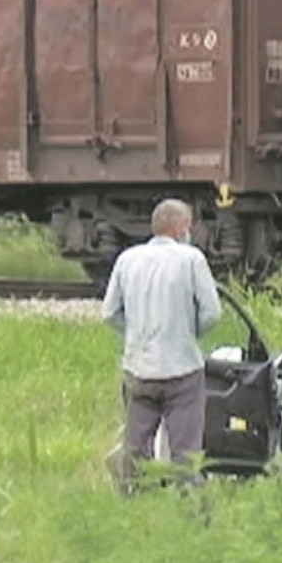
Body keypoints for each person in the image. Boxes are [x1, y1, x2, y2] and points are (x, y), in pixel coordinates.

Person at [102, 198, 222, 492]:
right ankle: (191, 512)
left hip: (138, 369)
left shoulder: (127, 260)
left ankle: (132, 501)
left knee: (135, 447)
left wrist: (135, 334)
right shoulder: (191, 259)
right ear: (180, 227)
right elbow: (212, 312)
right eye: (189, 226)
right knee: (186, 454)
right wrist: (188, 333)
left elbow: (109, 313)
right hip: (182, 371)